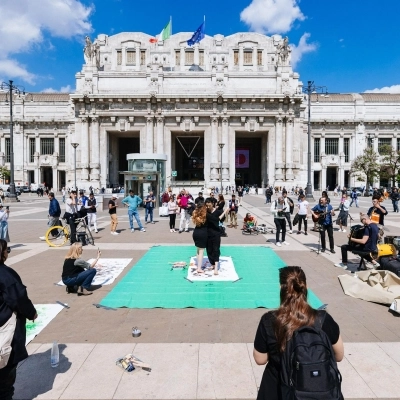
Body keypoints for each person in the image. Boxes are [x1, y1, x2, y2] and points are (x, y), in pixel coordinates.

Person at [253, 266, 344, 400]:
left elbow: (260, 359)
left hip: (277, 387)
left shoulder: (269, 320)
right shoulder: (323, 319)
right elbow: (339, 356)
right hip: (316, 387)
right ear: (305, 287)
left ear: (281, 288)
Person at [0, 239, 37, 400]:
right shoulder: (5, 274)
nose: (8, 252)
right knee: (5, 381)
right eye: (7, 249)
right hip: (5, 329)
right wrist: (32, 313)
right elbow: (18, 299)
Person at [205, 198, 224, 275]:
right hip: (207, 234)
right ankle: (212, 264)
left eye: (209, 205)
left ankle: (216, 267)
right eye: (206, 206)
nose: (208, 207)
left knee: (216, 249)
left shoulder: (218, 212)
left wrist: (225, 212)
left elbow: (220, 220)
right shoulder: (205, 212)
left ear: (212, 204)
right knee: (209, 250)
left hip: (216, 234)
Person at [191, 202, 208, 274]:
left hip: (196, 232)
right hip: (202, 233)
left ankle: (198, 265)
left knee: (198, 250)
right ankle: (199, 268)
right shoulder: (205, 215)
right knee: (201, 251)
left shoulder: (195, 214)